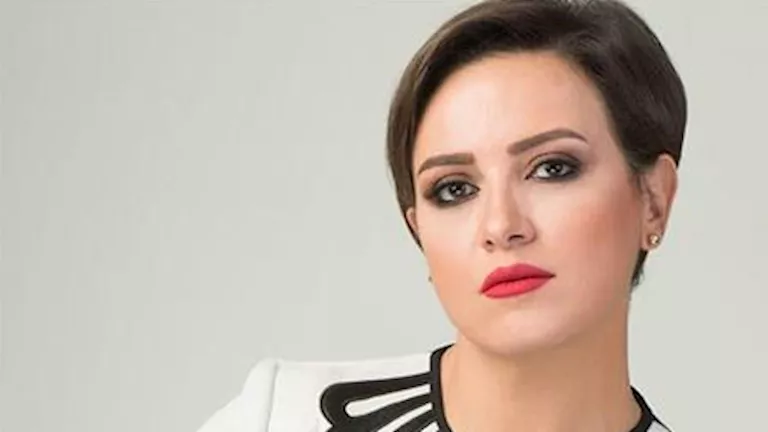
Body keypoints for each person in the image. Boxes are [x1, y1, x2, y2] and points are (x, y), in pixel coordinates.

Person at [198, 0, 686, 430]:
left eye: (551, 168)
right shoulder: (281, 418)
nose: (501, 225)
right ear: (418, 230)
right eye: (454, 190)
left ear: (654, 200)